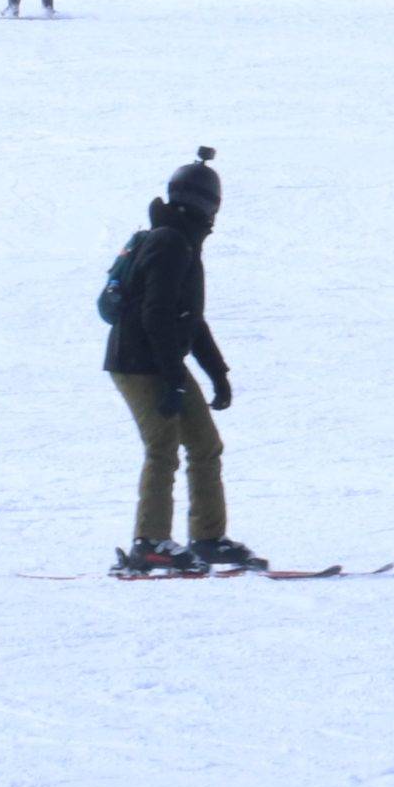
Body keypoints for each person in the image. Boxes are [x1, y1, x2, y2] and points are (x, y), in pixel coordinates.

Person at [103, 148, 255, 574]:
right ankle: (149, 542)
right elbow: (155, 315)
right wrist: (172, 379)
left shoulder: (181, 239)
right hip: (136, 361)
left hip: (160, 358)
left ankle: (208, 539)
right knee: (162, 447)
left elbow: (189, 318)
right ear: (208, 204)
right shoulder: (170, 242)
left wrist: (216, 373)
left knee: (205, 444)